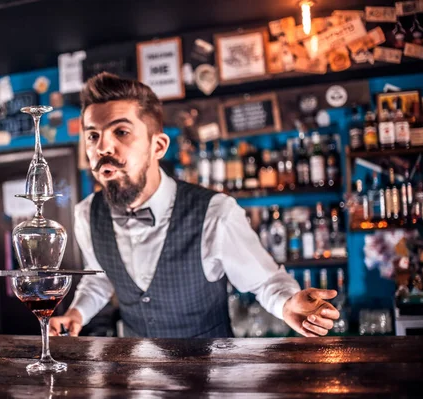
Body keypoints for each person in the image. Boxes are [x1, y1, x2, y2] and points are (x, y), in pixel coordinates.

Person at [49, 72, 339, 338]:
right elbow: (99, 279)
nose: (102, 148)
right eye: (92, 136)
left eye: (121, 132)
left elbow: (264, 282)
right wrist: (77, 313)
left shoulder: (216, 213)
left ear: (158, 146)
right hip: (137, 379)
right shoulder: (86, 214)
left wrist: (287, 304)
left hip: (210, 380)